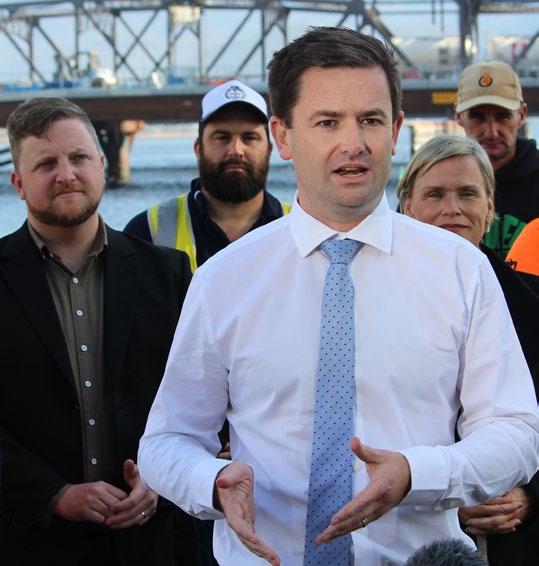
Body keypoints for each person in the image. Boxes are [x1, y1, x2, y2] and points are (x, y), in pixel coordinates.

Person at [138, 28, 539, 565]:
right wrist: (210, 481)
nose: (354, 143)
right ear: (283, 136)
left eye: (370, 120)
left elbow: (516, 433)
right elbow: (165, 441)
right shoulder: (222, 280)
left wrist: (417, 474)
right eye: (328, 122)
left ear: (396, 131)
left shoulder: (461, 270)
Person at [0, 97, 194, 565]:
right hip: (29, 543)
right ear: (18, 183)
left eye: (78, 158)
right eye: (46, 164)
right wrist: (52, 494)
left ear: (102, 165)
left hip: (152, 542)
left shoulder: (167, 273)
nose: (66, 174)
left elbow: (201, 401)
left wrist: (163, 479)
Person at [398, 133, 538, 566]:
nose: (452, 208)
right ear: (406, 207)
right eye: (435, 194)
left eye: (467, 194)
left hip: (515, 543)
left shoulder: (531, 306)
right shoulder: (369, 305)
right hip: (406, 533)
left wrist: (530, 494)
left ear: (490, 208)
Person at [124, 79, 290, 273]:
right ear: (198, 149)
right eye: (222, 137)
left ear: (269, 149)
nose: (236, 150)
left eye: (249, 138)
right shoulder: (147, 232)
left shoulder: (299, 227)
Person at [454, 60, 539, 258]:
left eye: (503, 116)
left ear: (522, 114)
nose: (491, 132)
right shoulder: (430, 182)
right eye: (477, 117)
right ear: (458, 115)